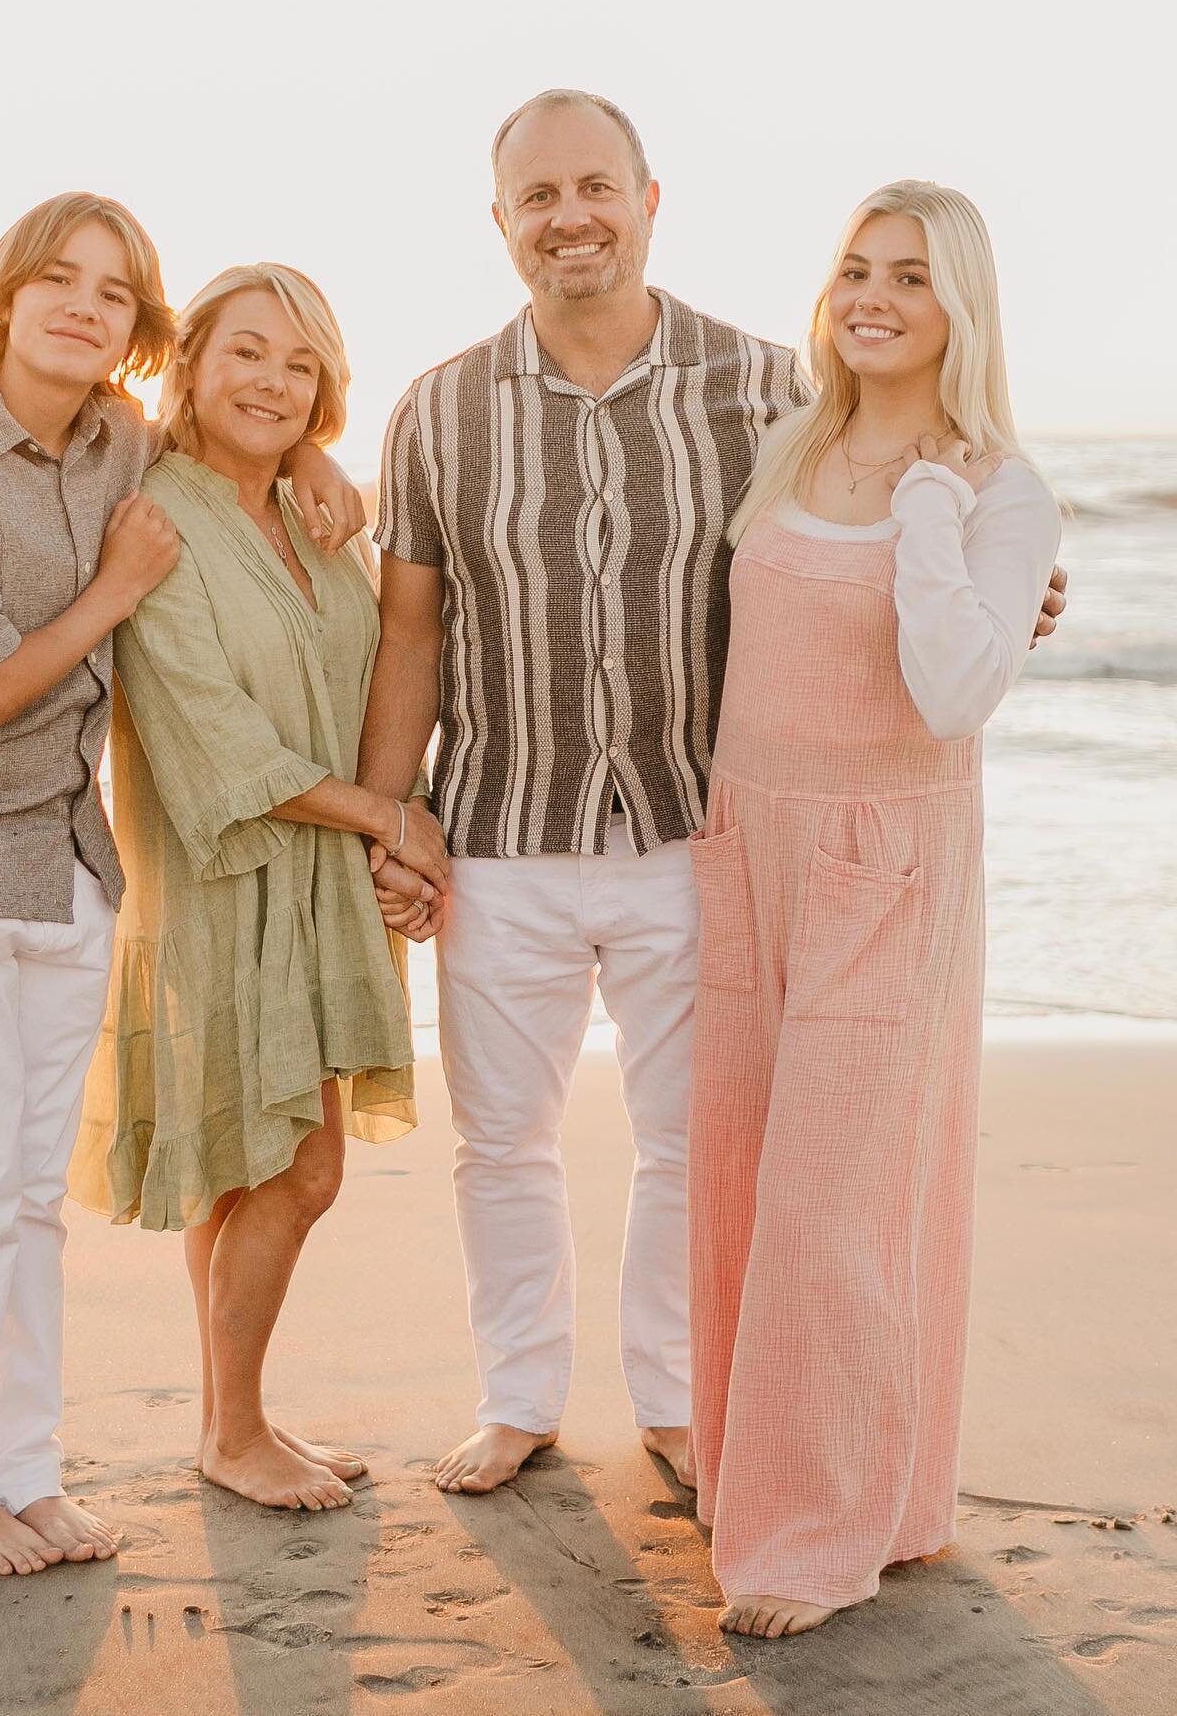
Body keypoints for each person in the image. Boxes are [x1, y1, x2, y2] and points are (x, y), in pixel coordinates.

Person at [358, 90, 1068, 1498]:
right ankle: (518, 1397)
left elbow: (870, 530)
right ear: (502, 222)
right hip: (500, 830)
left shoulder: (770, 392)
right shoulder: (435, 406)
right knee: (499, 1138)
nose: (571, 215)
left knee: (698, 1142)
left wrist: (1011, 581)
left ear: (647, 198)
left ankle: (681, 1400)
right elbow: (412, 629)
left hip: (701, 835)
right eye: (539, 194)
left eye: (595, 186)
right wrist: (396, 813)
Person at [0, 196, 368, 1576]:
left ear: (141, 328)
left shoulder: (116, 437)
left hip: (69, 861)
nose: (85, 305)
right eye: (58, 280)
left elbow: (229, 425)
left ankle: (21, 1469)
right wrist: (118, 583)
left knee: (24, 1193)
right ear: (5, 293)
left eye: (114, 290)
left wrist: (315, 449)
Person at [687, 181, 1063, 1640]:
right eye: (855, 268)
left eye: (910, 275)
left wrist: (929, 510)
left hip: (884, 861)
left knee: (838, 1201)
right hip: (751, 835)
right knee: (740, 1175)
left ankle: (815, 1536)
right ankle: (797, 1481)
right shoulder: (789, 438)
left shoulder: (994, 482)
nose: (874, 296)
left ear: (957, 305)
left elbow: (957, 687)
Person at [71, 264, 443, 1513]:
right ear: (192, 365)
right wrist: (391, 818)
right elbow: (217, 747)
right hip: (227, 873)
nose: (272, 381)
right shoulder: (160, 519)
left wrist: (386, 834)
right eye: (246, 353)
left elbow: (380, 665)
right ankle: (232, 1430)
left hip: (316, 874)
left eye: (298, 362)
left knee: (246, 1163)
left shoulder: (316, 511)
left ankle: (236, 1421)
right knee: (296, 1167)